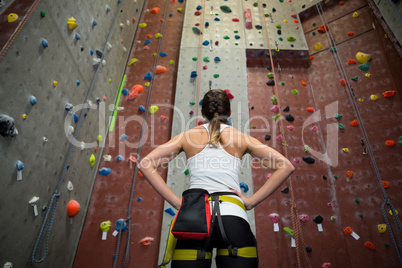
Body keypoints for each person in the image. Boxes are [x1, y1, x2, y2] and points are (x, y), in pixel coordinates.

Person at [138, 89, 295, 268]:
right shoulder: (242, 138)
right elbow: (286, 166)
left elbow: (145, 164)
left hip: (194, 219)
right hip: (233, 218)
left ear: (203, 114)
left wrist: (176, 202)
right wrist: (250, 202)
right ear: (229, 113)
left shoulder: (187, 137)